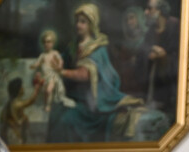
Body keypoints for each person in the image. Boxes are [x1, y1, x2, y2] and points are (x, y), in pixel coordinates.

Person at [49, 3, 144, 142]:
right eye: (77, 21)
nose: (78, 25)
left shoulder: (97, 48)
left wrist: (62, 72)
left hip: (94, 102)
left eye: (83, 22)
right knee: (55, 114)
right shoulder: (74, 45)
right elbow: (63, 59)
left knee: (66, 120)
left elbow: (84, 74)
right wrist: (55, 62)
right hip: (76, 97)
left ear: (91, 25)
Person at [142, 0, 180, 113]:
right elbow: (143, 50)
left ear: (160, 11)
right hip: (153, 85)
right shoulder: (151, 31)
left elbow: (181, 56)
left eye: (150, 9)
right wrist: (150, 52)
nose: (146, 12)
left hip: (168, 86)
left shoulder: (175, 26)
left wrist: (164, 56)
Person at [30, 30, 73, 113]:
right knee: (46, 92)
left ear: (53, 43)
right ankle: (46, 104)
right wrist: (34, 65)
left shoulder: (55, 53)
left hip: (53, 76)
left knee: (49, 90)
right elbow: (38, 62)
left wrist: (59, 65)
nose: (46, 44)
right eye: (45, 42)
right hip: (44, 77)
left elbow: (60, 60)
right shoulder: (42, 55)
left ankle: (48, 105)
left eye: (49, 42)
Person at [1, 76, 40, 145]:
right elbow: (30, 101)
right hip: (14, 133)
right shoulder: (16, 103)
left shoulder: (14, 102)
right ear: (18, 90)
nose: (23, 88)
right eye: (21, 87)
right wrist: (36, 89)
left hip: (17, 131)